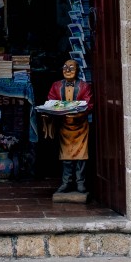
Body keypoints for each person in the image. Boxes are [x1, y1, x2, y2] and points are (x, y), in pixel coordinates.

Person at [45, 59, 94, 194]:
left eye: (71, 68)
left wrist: (78, 113)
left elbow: (88, 105)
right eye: (65, 67)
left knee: (81, 155)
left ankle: (80, 182)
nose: (67, 70)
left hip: (80, 126)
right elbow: (51, 101)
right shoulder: (56, 85)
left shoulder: (84, 86)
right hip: (64, 126)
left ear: (77, 70)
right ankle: (66, 182)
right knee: (66, 155)